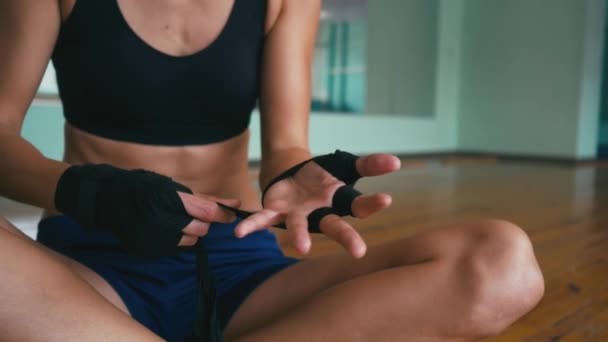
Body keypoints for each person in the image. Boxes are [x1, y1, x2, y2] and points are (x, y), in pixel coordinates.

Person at [0, 0, 545, 341]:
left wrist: (297, 172)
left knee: (502, 266)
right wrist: (92, 190)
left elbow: (285, 144)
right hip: (91, 273)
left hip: (240, 266)